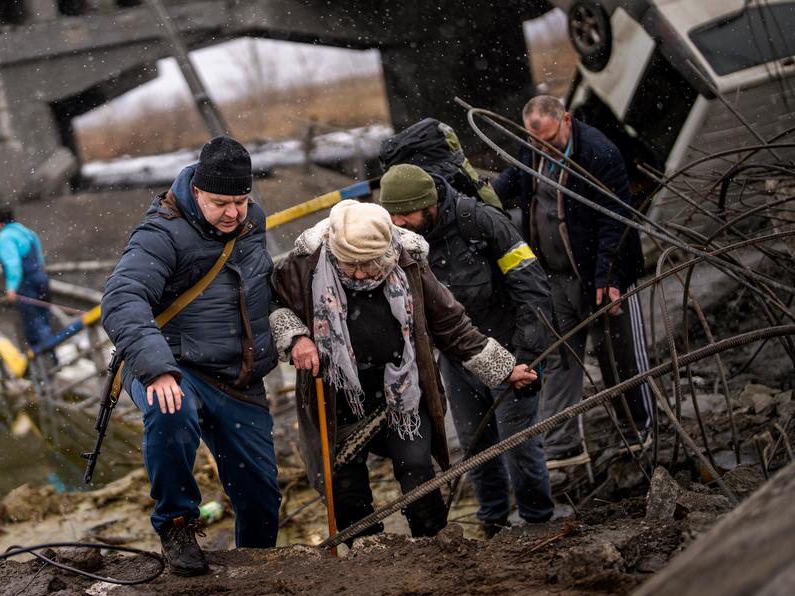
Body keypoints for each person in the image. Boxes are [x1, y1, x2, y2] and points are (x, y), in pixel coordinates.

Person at [269, 199, 538, 542]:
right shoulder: (303, 265)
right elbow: (273, 302)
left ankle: (436, 544)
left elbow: (451, 324)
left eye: (370, 264)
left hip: (402, 387)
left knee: (415, 467)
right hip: (336, 389)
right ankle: (369, 552)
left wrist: (505, 369)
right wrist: (296, 338)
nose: (361, 274)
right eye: (351, 265)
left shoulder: (409, 263)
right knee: (344, 480)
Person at [102, 135, 280, 576]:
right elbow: (122, 299)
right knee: (171, 408)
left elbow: (263, 289)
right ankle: (177, 523)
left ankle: (254, 567)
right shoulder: (160, 233)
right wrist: (158, 370)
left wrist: (296, 335)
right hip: (174, 365)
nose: (233, 212)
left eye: (241, 200)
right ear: (196, 191)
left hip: (237, 376)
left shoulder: (251, 222)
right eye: (221, 202)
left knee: (260, 495)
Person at [379, 164, 554, 536]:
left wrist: (527, 355)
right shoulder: (402, 240)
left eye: (405, 214)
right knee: (476, 449)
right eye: (391, 216)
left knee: (519, 446)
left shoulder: (483, 223)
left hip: (509, 350)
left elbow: (533, 289)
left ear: (428, 205)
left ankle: (538, 524)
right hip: (458, 359)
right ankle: (492, 524)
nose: (398, 223)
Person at [493, 95, 652, 462]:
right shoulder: (532, 147)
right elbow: (512, 180)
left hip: (599, 274)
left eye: (550, 140)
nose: (543, 148)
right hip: (556, 277)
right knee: (562, 360)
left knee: (619, 359)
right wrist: (480, 199)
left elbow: (615, 222)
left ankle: (638, 432)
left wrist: (607, 279)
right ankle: (564, 446)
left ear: (565, 119)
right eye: (536, 142)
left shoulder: (599, 153)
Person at [0, 207, 53, 354]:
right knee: (45, 319)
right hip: (40, 278)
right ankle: (52, 359)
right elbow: (39, 256)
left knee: (33, 324)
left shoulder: (4, 238)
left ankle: (42, 365)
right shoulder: (26, 232)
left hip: (26, 283)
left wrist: (11, 288)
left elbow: (13, 264)